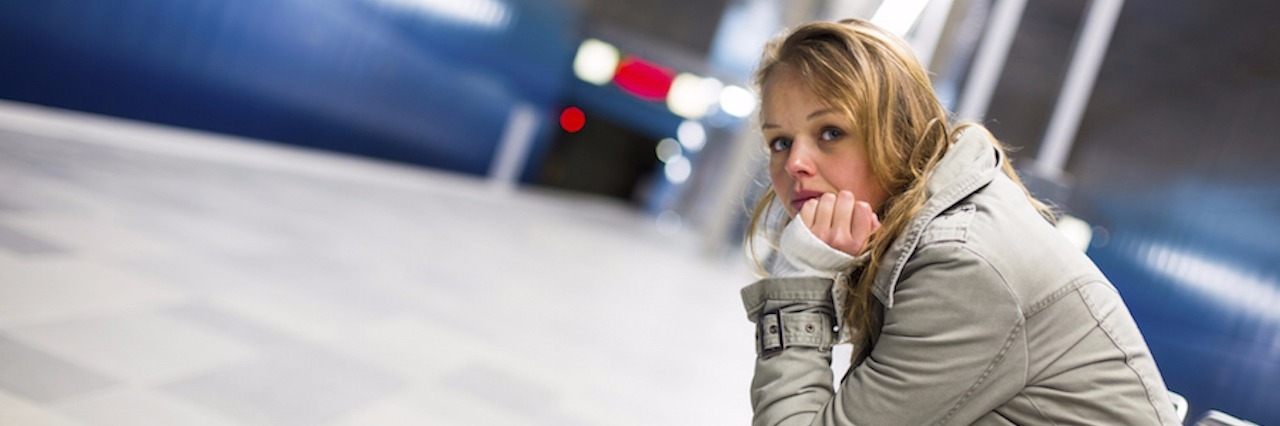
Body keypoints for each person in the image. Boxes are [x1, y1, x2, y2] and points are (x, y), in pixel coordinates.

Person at [740, 19, 1179, 425]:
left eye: (831, 132)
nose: (794, 163)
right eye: (779, 141)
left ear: (899, 134)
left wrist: (801, 279)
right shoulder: (923, 237)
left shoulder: (962, 264)